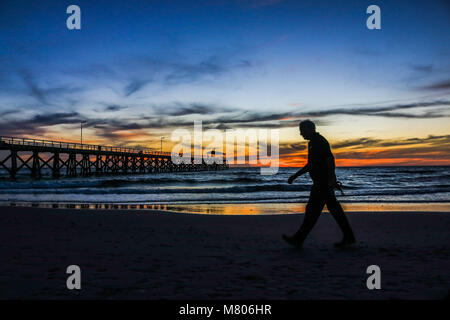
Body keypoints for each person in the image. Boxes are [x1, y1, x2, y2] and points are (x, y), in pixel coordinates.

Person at [282, 120, 356, 248]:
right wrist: (295, 176)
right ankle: (348, 236)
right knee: (333, 210)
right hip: (321, 183)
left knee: (312, 210)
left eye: (302, 130)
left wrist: (332, 179)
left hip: (323, 184)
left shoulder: (319, 141)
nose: (300, 134)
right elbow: (311, 165)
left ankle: (298, 239)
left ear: (310, 129)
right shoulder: (312, 143)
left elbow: (330, 159)